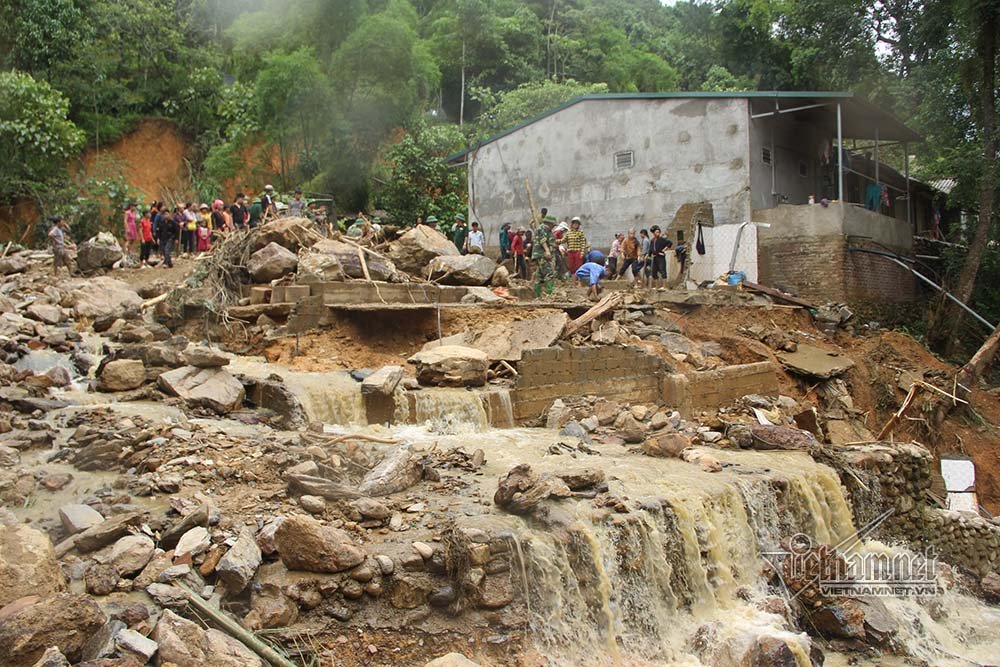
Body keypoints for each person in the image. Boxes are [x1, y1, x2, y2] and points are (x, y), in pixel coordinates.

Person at [532, 215, 557, 297]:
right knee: (549, 273)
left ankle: (537, 295)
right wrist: (547, 251)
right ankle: (550, 295)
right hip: (543, 255)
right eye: (553, 225)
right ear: (550, 223)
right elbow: (543, 240)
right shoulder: (544, 228)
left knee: (540, 275)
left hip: (540, 255)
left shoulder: (542, 228)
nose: (553, 227)